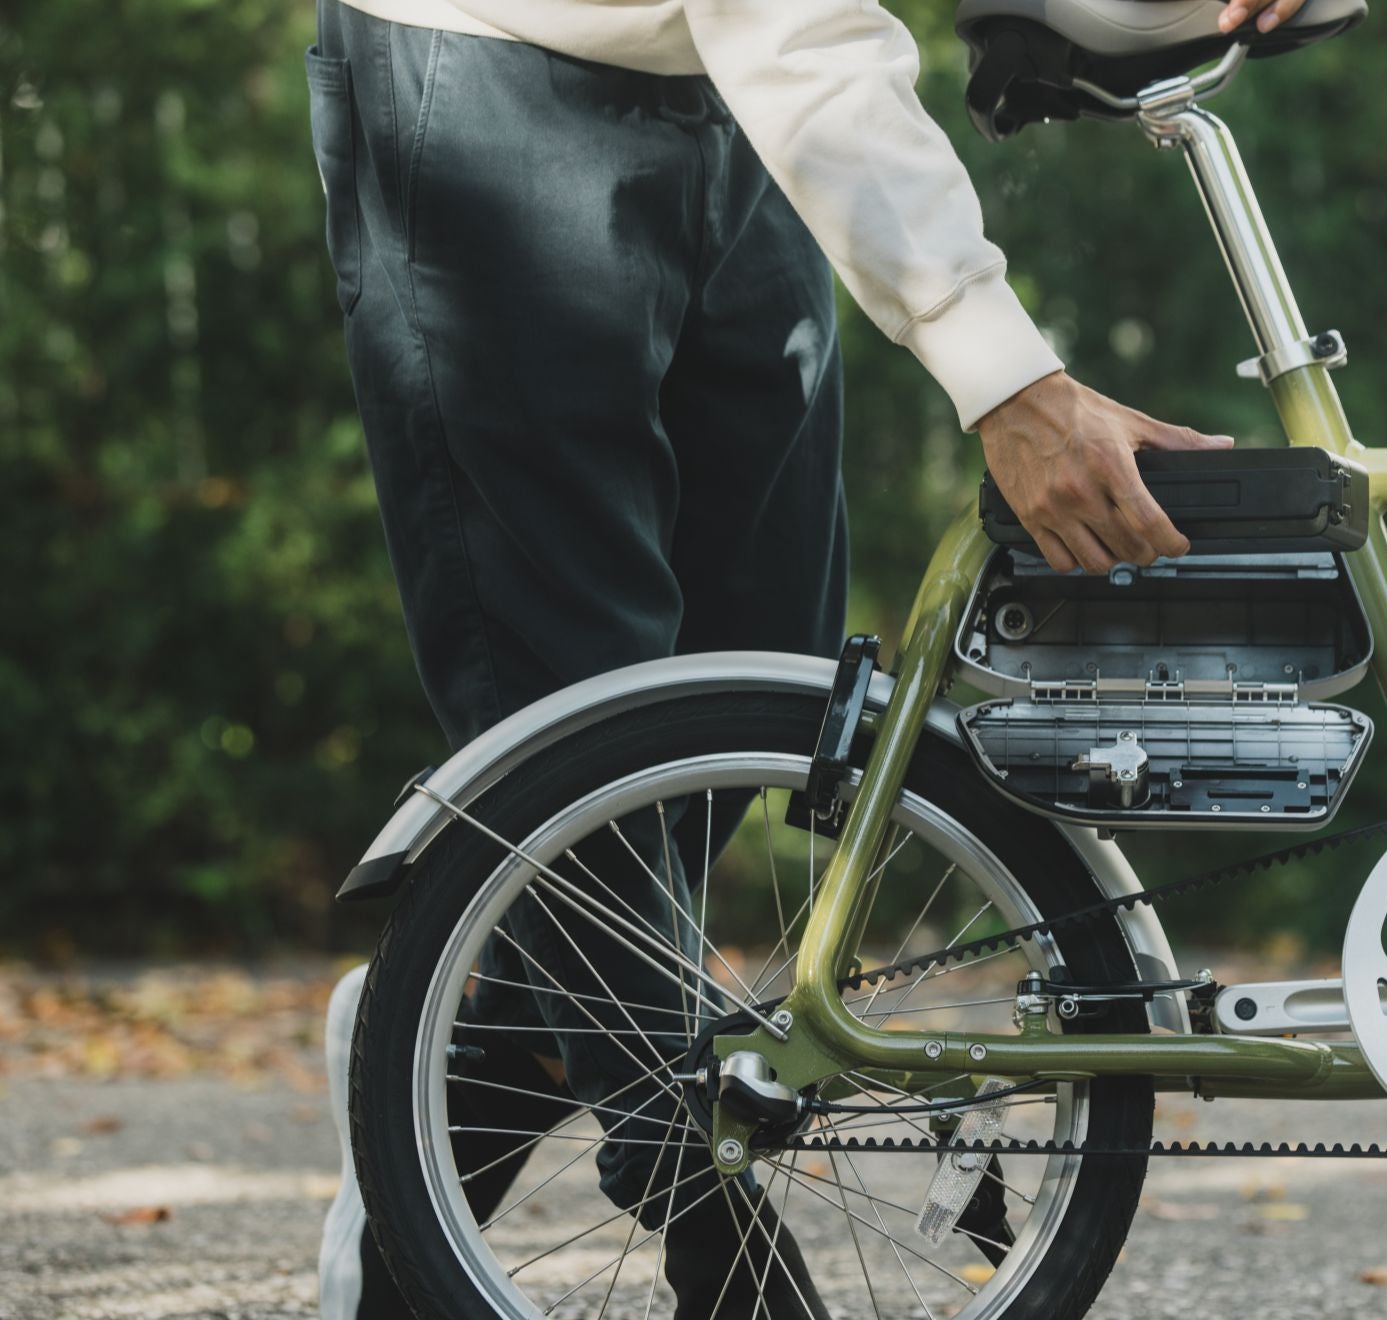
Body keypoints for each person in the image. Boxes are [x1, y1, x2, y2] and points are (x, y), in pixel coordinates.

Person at [305, 0, 1301, 1314]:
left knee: (752, 702)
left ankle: (457, 1046)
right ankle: (734, 1267)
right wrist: (1004, 375)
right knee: (576, 723)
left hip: (728, 102)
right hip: (488, 85)